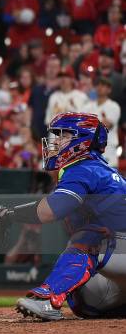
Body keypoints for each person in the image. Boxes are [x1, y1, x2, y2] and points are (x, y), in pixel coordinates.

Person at [12, 113, 126, 320]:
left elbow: (50, 211)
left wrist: (12, 213)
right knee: (84, 301)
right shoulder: (94, 168)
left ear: (83, 140)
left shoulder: (84, 169)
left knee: (89, 237)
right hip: (119, 251)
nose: (56, 142)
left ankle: (49, 299)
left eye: (64, 135)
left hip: (118, 247)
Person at [82, 78, 121, 167]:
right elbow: (81, 126)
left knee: (109, 179)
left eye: (103, 85)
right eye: (98, 85)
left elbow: (106, 126)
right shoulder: (87, 106)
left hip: (108, 149)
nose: (99, 87)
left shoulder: (114, 106)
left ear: (109, 89)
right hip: (90, 149)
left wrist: (90, 123)